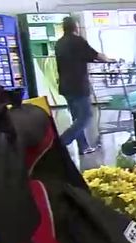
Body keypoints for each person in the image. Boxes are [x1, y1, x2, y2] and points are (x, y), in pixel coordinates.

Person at [55, 16, 111, 155]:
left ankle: (83, 147)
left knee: (77, 118)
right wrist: (108, 59)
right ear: (76, 26)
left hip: (65, 86)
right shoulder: (78, 41)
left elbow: (79, 57)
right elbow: (95, 55)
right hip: (78, 85)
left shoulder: (59, 43)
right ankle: (60, 143)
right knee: (86, 116)